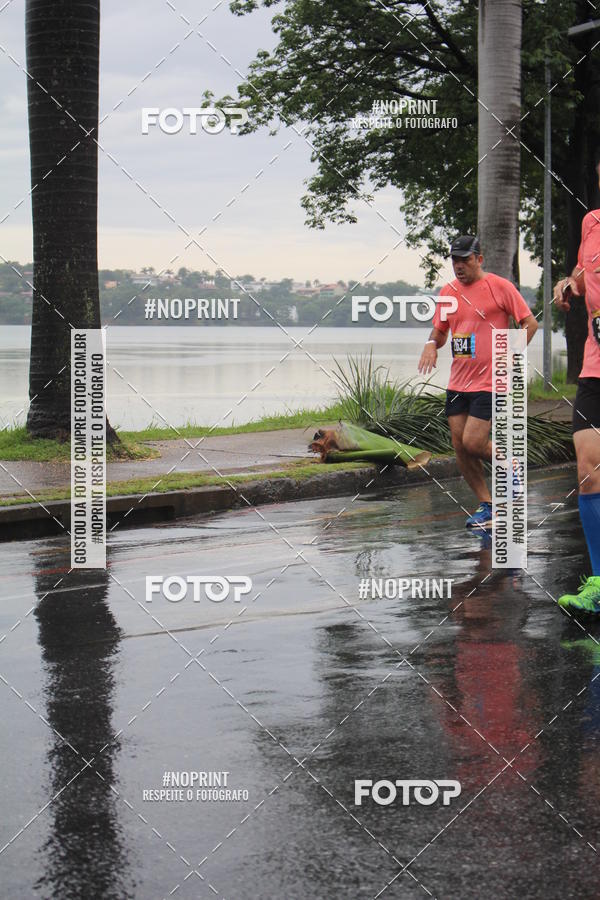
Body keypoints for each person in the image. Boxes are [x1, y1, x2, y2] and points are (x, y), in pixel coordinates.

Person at [418, 235, 538, 528]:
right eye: (455, 260)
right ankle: (488, 505)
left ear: (479, 259)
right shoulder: (448, 292)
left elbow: (530, 323)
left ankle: (509, 465)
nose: (459, 266)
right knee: (460, 446)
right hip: (459, 381)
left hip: (491, 380)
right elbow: (441, 331)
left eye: (465, 260)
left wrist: (512, 351)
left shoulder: (500, 287)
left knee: (473, 441)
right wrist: (431, 344)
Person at [553, 196, 600, 613]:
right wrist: (569, 284)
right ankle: (599, 583)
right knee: (588, 471)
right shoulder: (591, 223)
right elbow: (583, 276)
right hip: (594, 368)